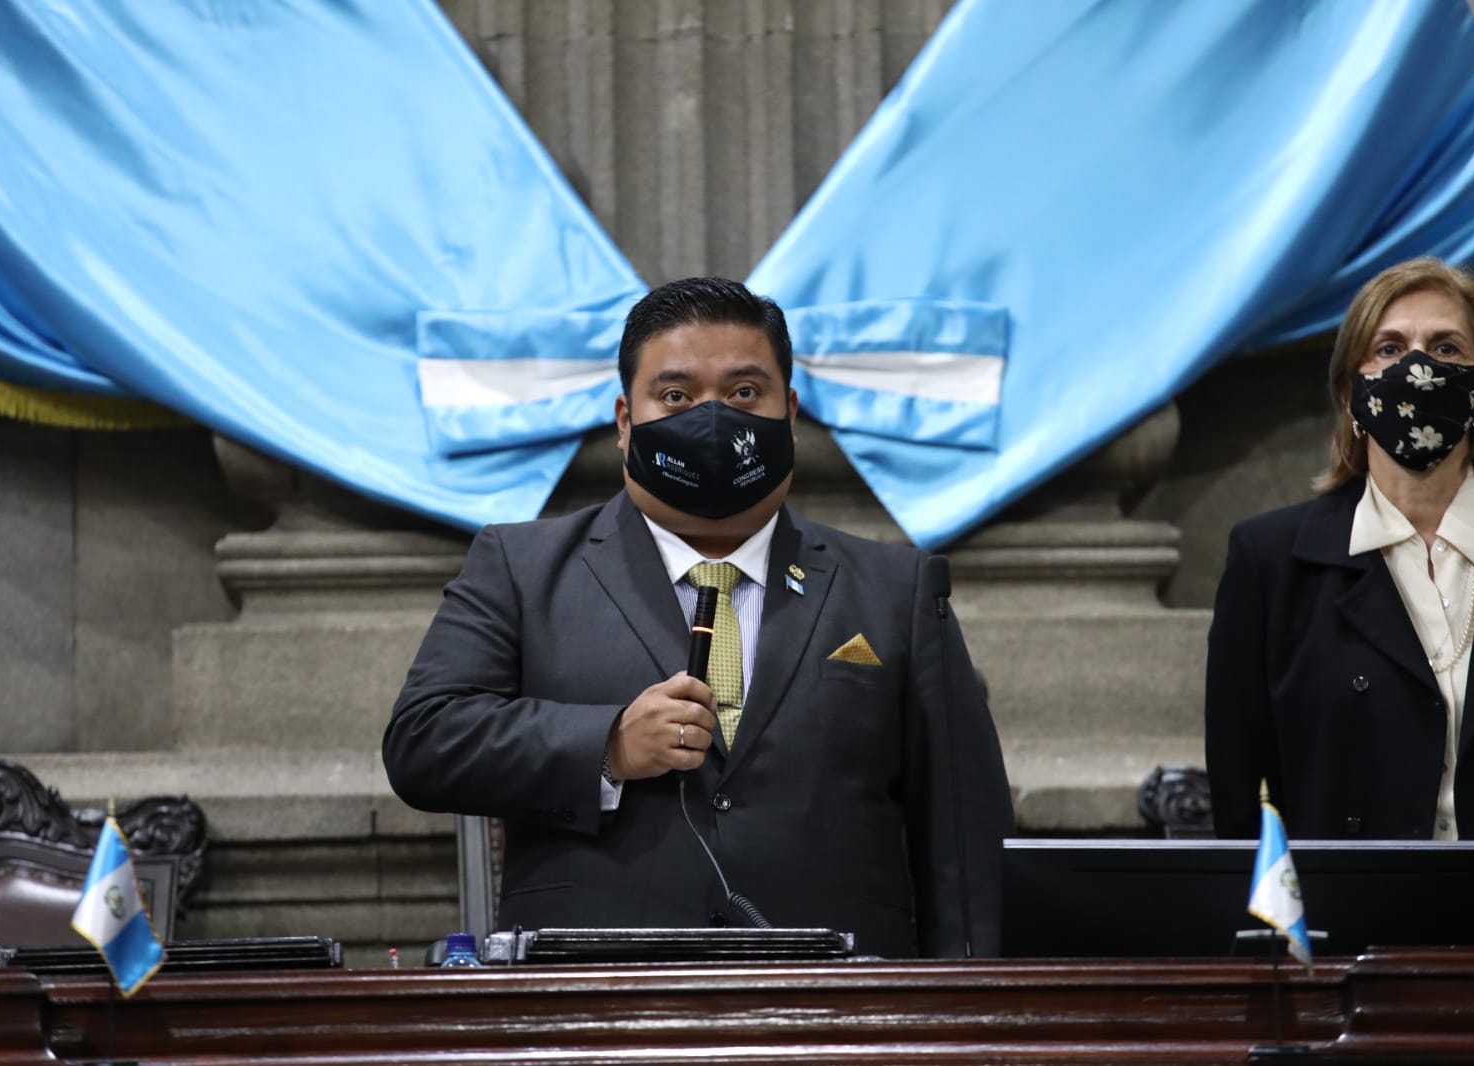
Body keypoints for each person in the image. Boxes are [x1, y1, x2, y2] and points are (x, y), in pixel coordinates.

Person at [384, 277, 1015, 957]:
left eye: (744, 393)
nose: (713, 420)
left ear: (789, 413)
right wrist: (606, 746)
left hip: (834, 1012)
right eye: (676, 396)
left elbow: (965, 840)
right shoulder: (521, 565)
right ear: (626, 422)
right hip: (595, 1002)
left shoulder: (897, 588)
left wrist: (971, 1017)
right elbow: (423, 742)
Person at [1205, 257, 1474, 840]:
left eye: (1447, 348)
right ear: (1351, 394)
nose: (1418, 368)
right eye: (1388, 348)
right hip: (1349, 914)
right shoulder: (1270, 561)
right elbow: (1239, 798)